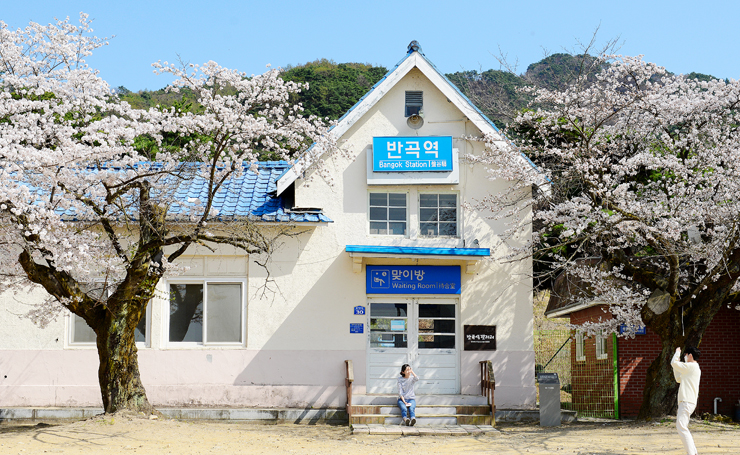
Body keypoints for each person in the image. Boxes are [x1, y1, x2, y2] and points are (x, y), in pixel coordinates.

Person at [671, 346, 701, 455]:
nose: (685, 357)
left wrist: (677, 353)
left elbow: (673, 363)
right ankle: (693, 452)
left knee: (681, 427)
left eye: (686, 355)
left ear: (690, 355)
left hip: (687, 401)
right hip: (687, 401)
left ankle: (691, 453)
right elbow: (678, 378)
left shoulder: (691, 366)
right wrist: (678, 364)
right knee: (682, 427)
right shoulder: (692, 368)